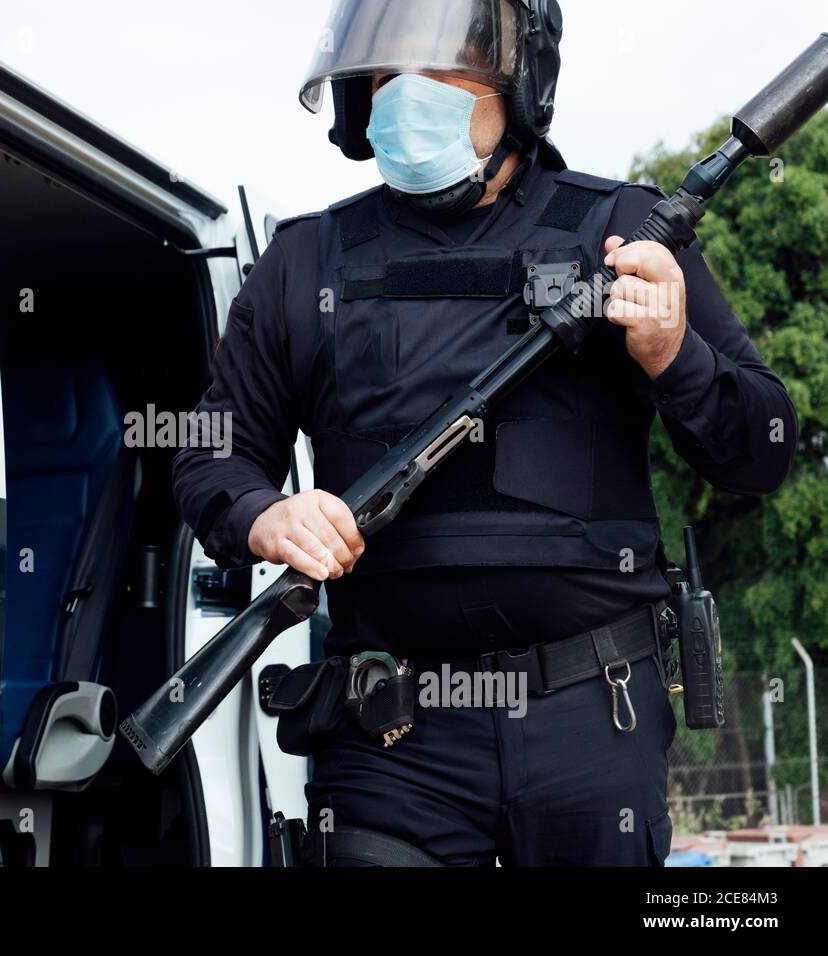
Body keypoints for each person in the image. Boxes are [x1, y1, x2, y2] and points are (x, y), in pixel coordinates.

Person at [172, 0, 796, 866]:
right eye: (387, 76)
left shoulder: (626, 233)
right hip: (390, 738)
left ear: (519, 85)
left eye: (443, 70)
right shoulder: (305, 264)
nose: (406, 97)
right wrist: (259, 514)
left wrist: (671, 352)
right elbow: (210, 450)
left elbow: (763, 450)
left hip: (594, 717)